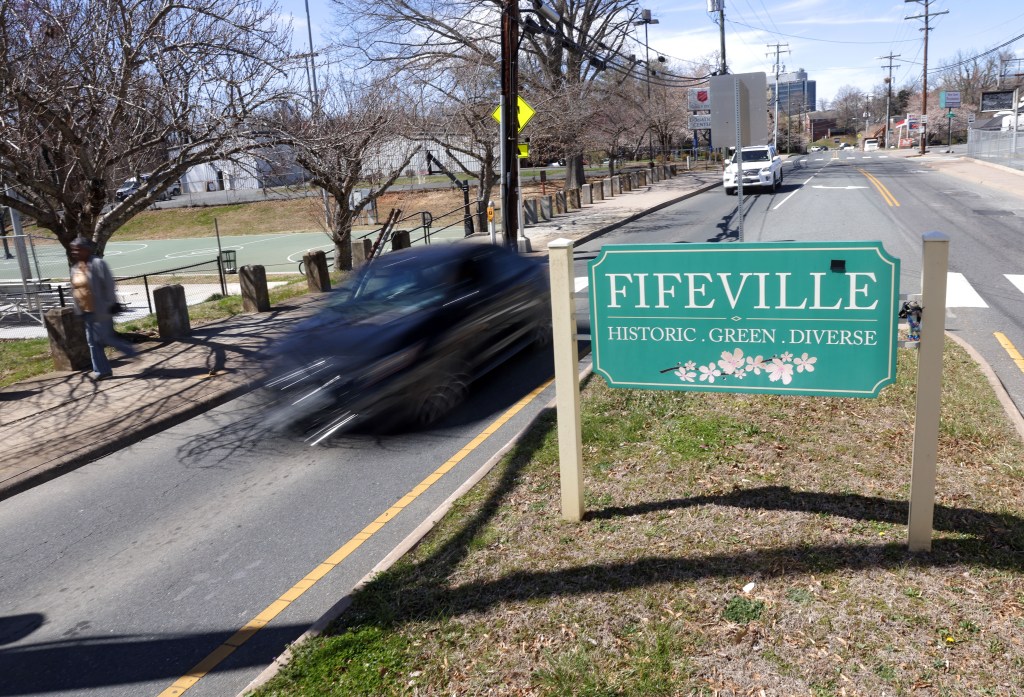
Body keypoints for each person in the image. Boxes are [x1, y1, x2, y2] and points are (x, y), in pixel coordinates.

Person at [69, 236, 136, 380]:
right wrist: (78, 309)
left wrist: (111, 303)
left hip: (102, 309)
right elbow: (75, 289)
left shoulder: (98, 264)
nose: (74, 252)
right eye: (73, 250)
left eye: (77, 249)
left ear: (86, 250)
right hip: (86, 311)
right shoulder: (75, 268)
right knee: (92, 342)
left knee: (105, 338)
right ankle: (101, 371)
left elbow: (109, 285)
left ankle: (130, 351)